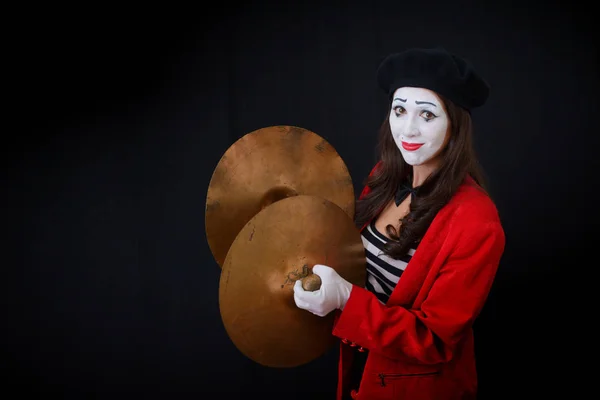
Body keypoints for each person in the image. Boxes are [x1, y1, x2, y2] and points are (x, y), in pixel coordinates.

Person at [293, 47, 506, 400]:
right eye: (400, 109)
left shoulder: (478, 224)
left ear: (455, 125)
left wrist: (346, 298)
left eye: (427, 114)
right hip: (362, 376)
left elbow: (433, 341)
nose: (408, 128)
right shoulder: (384, 177)